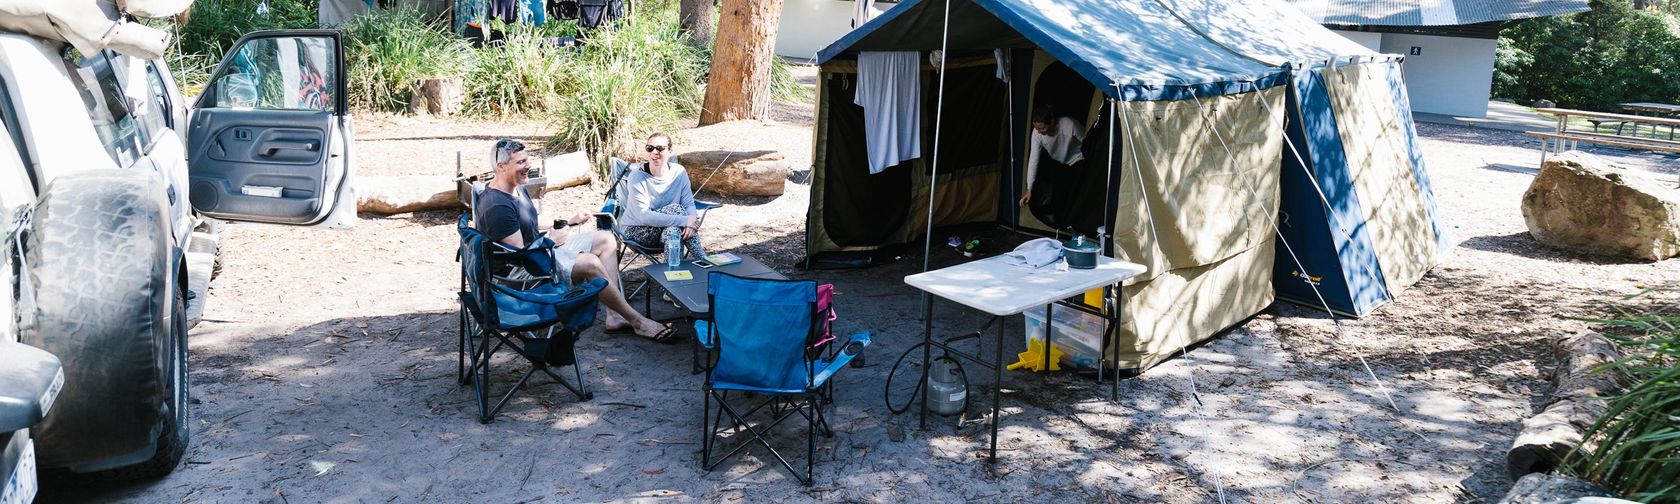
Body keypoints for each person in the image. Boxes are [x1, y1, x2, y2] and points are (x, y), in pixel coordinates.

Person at [476, 138, 676, 342]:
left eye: (527, 160)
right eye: (520, 162)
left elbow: (528, 222)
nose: (528, 166)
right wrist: (551, 241)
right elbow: (521, 254)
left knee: (606, 239)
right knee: (590, 263)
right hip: (521, 271)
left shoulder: (515, 186)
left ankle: (614, 316)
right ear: (501, 167)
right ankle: (638, 322)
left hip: (539, 252)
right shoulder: (497, 206)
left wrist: (568, 221)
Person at [619, 132, 704, 260]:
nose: (654, 152)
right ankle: (702, 258)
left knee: (673, 231)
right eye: (650, 148)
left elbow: (689, 203)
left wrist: (690, 224)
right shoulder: (636, 177)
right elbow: (644, 216)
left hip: (667, 229)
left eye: (660, 148)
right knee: (677, 209)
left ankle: (672, 273)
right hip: (636, 231)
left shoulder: (679, 172)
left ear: (670, 150)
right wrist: (686, 221)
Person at [1017, 106, 1086, 223]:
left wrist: (1088, 157)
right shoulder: (1037, 133)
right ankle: (1060, 223)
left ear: (1052, 122)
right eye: (1037, 128)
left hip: (1078, 158)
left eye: (1042, 128)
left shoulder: (1070, 124)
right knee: (1057, 194)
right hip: (1060, 161)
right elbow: (1033, 159)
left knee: (1074, 192)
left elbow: (1087, 141)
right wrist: (1029, 189)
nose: (1039, 132)